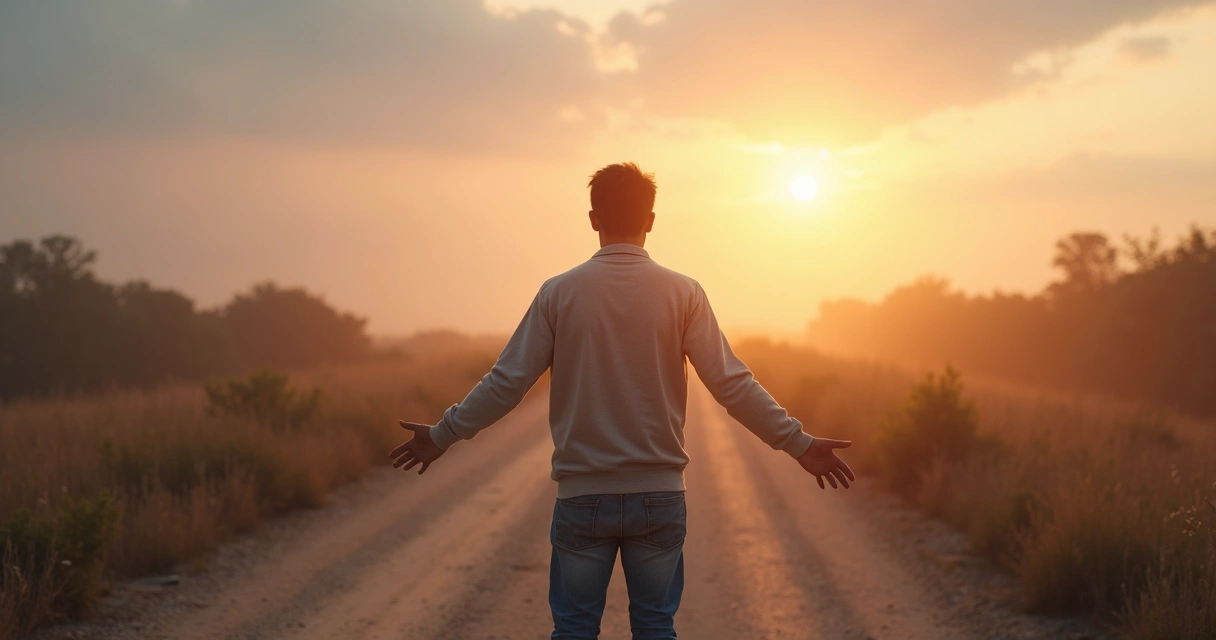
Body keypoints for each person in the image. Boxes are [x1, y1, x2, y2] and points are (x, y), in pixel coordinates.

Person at [388, 162, 855, 640]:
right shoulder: (684, 293)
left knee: (574, 630)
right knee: (655, 626)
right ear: (650, 220)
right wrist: (798, 444)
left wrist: (442, 435)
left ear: (593, 218)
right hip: (659, 496)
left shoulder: (558, 293)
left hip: (582, 496)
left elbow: (506, 384)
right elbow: (731, 385)